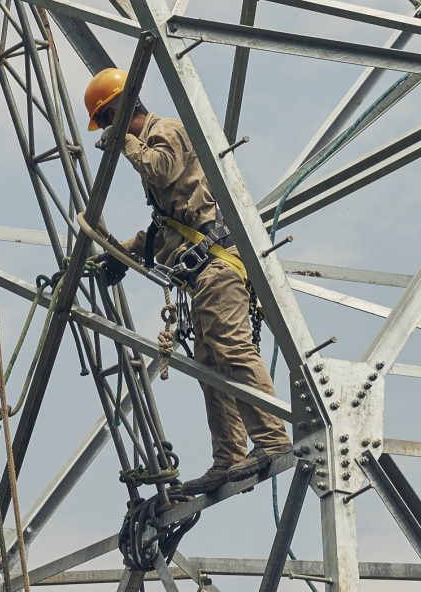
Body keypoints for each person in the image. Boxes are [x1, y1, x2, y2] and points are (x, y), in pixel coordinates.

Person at [83, 68, 292, 494]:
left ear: (121, 112)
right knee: (210, 368)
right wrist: (120, 255)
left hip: (218, 268)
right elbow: (165, 230)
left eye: (106, 120)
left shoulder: (168, 132)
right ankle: (229, 457)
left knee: (232, 350)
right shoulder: (156, 152)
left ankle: (271, 439)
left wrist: (123, 139)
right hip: (201, 275)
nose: (105, 131)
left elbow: (160, 168)